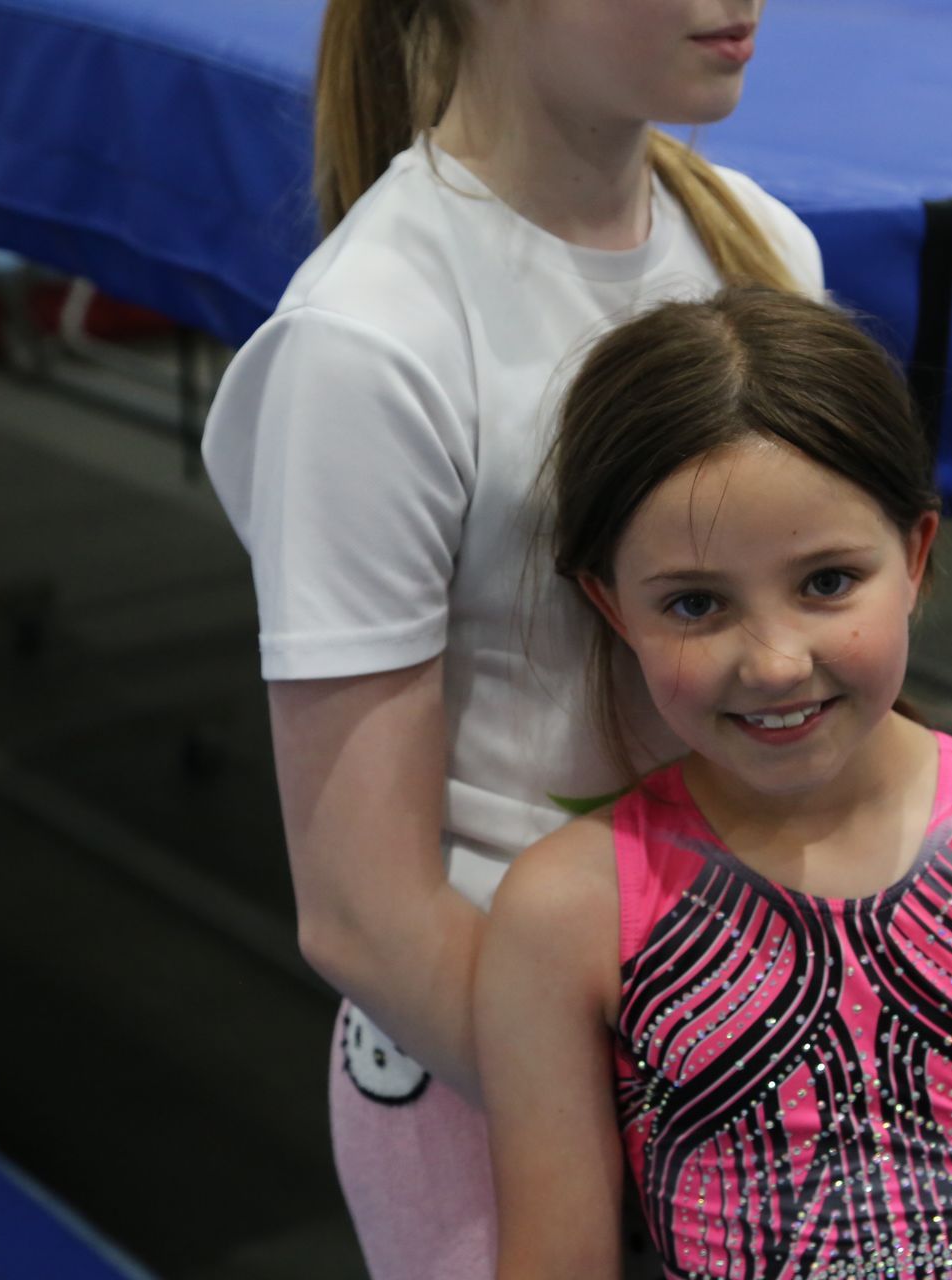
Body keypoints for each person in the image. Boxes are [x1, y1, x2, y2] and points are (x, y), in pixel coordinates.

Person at [200, 2, 823, 1275]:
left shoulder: (761, 248)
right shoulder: (369, 342)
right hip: (497, 1083)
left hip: (737, 1040)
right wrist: (663, 1136)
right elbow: (367, 915)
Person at [473, 286, 952, 1279]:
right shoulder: (566, 908)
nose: (776, 660)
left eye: (827, 581)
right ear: (612, 606)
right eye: (697, 602)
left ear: (916, 556)